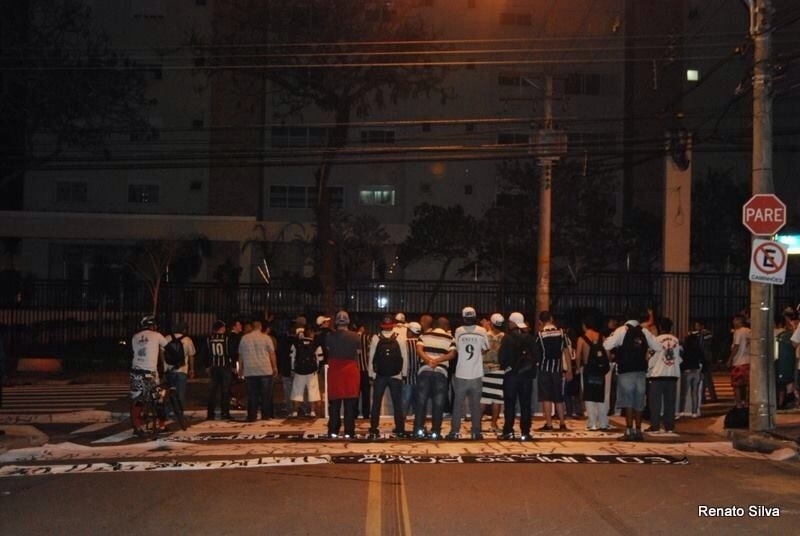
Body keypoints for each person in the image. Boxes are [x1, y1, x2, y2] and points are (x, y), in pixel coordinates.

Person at [604, 310, 662, 441]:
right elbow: (658, 346)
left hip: (625, 371)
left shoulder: (621, 330)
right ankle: (638, 430)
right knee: (639, 401)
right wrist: (648, 355)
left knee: (628, 401)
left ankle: (629, 431)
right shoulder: (644, 331)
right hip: (641, 371)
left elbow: (607, 345)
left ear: (625, 319)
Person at [448, 307, 489, 440]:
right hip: (476, 374)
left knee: (458, 405)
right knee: (475, 406)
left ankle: (454, 432)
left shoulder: (459, 331)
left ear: (464, 317)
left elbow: (458, 350)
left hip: (461, 373)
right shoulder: (482, 331)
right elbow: (486, 348)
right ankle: (476, 432)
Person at [413, 316, 456, 440]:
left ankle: (418, 431)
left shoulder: (424, 335)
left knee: (421, 402)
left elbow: (418, 349)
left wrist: (428, 360)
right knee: (438, 403)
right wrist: (437, 360)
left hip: (424, 371)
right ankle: (435, 432)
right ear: (446, 326)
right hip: (440, 372)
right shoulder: (450, 338)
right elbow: (452, 354)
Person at [367, 314, 409, 439]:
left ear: (381, 325)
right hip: (396, 375)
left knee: (376, 403)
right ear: (393, 325)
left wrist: (371, 374)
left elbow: (371, 358)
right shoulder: (400, 338)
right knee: (397, 404)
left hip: (380, 375)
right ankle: (400, 429)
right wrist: (404, 373)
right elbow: (404, 357)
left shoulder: (376, 337)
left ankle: (374, 429)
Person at [498, 312, 537, 441]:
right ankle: (525, 432)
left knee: (510, 404)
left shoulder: (507, 338)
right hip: (526, 376)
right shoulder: (530, 338)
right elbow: (537, 356)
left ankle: (508, 431)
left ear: (513, 323)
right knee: (525, 404)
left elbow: (501, 358)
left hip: (511, 376)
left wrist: (506, 366)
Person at [325, 310, 362, 438]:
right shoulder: (356, 336)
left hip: (335, 371)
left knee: (334, 403)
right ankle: (349, 431)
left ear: (336, 322)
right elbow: (358, 353)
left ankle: (333, 430)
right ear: (348, 322)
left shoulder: (329, 337)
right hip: (350, 371)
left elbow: (328, 350)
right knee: (349, 404)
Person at [130, 315, 168, 435]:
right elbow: (168, 347)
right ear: (153, 325)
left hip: (135, 372)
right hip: (150, 372)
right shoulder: (157, 335)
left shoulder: (135, 337)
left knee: (138, 398)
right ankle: (162, 425)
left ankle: (137, 427)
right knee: (158, 398)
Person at [534, 311, 570, 432]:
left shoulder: (540, 335)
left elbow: (536, 353)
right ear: (551, 318)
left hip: (544, 369)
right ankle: (562, 423)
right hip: (557, 369)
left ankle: (549, 423)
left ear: (540, 322)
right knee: (558, 396)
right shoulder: (561, 333)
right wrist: (569, 369)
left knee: (546, 397)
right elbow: (566, 352)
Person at [646, 317, 682, 435]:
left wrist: (648, 369)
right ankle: (669, 426)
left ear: (659, 327)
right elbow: (680, 358)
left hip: (657, 374)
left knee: (655, 402)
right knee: (670, 402)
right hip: (672, 374)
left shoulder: (655, 340)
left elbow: (650, 357)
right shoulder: (676, 340)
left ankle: (655, 425)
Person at [238, 316, 278, 421]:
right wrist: (274, 367)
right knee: (266, 395)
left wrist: (240, 368)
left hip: (250, 370)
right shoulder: (266, 338)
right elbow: (272, 354)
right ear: (260, 327)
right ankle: (266, 415)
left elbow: (240, 355)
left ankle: (252, 415)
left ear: (252, 327)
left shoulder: (244, 338)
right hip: (265, 369)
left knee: (252, 395)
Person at [576, 316, 610, 431]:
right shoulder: (602, 337)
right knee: (600, 396)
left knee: (589, 396)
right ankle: (604, 422)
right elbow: (608, 354)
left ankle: (592, 422)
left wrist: (577, 367)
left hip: (588, 369)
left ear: (584, 325)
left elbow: (578, 355)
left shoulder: (582, 339)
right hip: (600, 370)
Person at [290, 325, 324, 418]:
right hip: (312, 372)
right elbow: (320, 358)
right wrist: (318, 369)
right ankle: (312, 411)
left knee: (297, 391)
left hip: (299, 371)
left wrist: (293, 369)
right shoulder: (316, 344)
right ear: (312, 333)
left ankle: (295, 412)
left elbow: (292, 357)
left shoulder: (296, 344)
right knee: (313, 391)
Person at [206, 319, 236, 420]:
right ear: (222, 328)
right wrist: (234, 366)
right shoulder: (226, 338)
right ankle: (225, 413)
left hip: (214, 366)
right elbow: (231, 352)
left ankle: (210, 414)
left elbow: (206, 353)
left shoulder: (209, 338)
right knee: (225, 391)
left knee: (212, 391)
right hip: (225, 366)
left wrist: (207, 366)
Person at [480, 313, 505, 434]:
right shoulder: (504, 337)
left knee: (483, 398)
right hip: (499, 369)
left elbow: (481, 351)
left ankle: (478, 424)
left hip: (484, 368)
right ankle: (494, 424)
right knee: (497, 399)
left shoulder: (485, 335)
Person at [164, 322, 196, 408]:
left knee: (170, 391)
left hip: (169, 369)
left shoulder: (167, 338)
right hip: (182, 369)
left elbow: (161, 352)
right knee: (180, 393)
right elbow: (191, 355)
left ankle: (168, 411)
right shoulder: (187, 340)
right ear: (184, 330)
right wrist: (192, 370)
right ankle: (179, 413)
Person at [680, 319, 705, 418]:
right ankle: (694, 412)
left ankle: (682, 411)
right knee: (694, 393)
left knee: (684, 393)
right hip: (696, 371)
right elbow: (703, 360)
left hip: (687, 372)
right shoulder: (698, 350)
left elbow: (682, 360)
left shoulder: (685, 349)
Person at [727, 314, 751, 409]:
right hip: (747, 361)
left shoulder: (738, 332)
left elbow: (736, 346)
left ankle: (738, 403)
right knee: (746, 384)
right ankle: (746, 402)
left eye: (735, 320)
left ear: (739, 320)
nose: (733, 322)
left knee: (736, 385)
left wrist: (730, 359)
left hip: (738, 361)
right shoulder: (749, 331)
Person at [775, 313, 796, 410]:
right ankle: (783, 403)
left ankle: (782, 403)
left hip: (785, 363)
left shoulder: (783, 335)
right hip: (787, 363)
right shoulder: (783, 335)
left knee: (784, 384)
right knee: (786, 383)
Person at [402, 321, 423, 417]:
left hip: (407, 378)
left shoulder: (404, 343)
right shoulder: (423, 344)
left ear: (410, 332)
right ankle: (418, 425)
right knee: (419, 403)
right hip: (420, 378)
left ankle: (401, 424)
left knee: (404, 402)